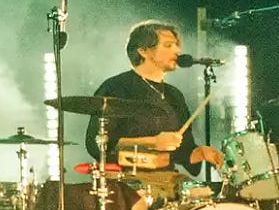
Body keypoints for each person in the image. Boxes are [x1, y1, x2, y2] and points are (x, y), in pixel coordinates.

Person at [84, 21, 224, 172]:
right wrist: (152, 142)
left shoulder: (174, 95)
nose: (178, 50)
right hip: (126, 183)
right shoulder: (116, 88)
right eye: (169, 45)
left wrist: (201, 153)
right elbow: (97, 144)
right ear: (143, 51)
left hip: (166, 182)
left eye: (177, 45)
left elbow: (183, 152)